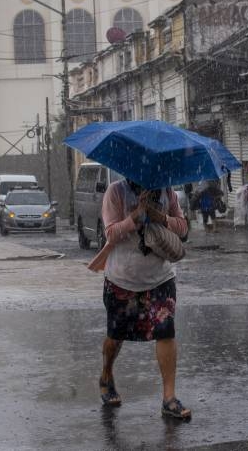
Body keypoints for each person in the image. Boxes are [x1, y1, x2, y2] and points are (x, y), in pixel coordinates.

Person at [93, 178, 192, 420]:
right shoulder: (116, 192)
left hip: (160, 278)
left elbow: (183, 229)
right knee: (115, 336)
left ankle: (169, 398)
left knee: (166, 332)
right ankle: (106, 374)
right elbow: (110, 233)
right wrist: (134, 218)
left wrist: (163, 219)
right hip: (122, 279)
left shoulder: (167, 190)